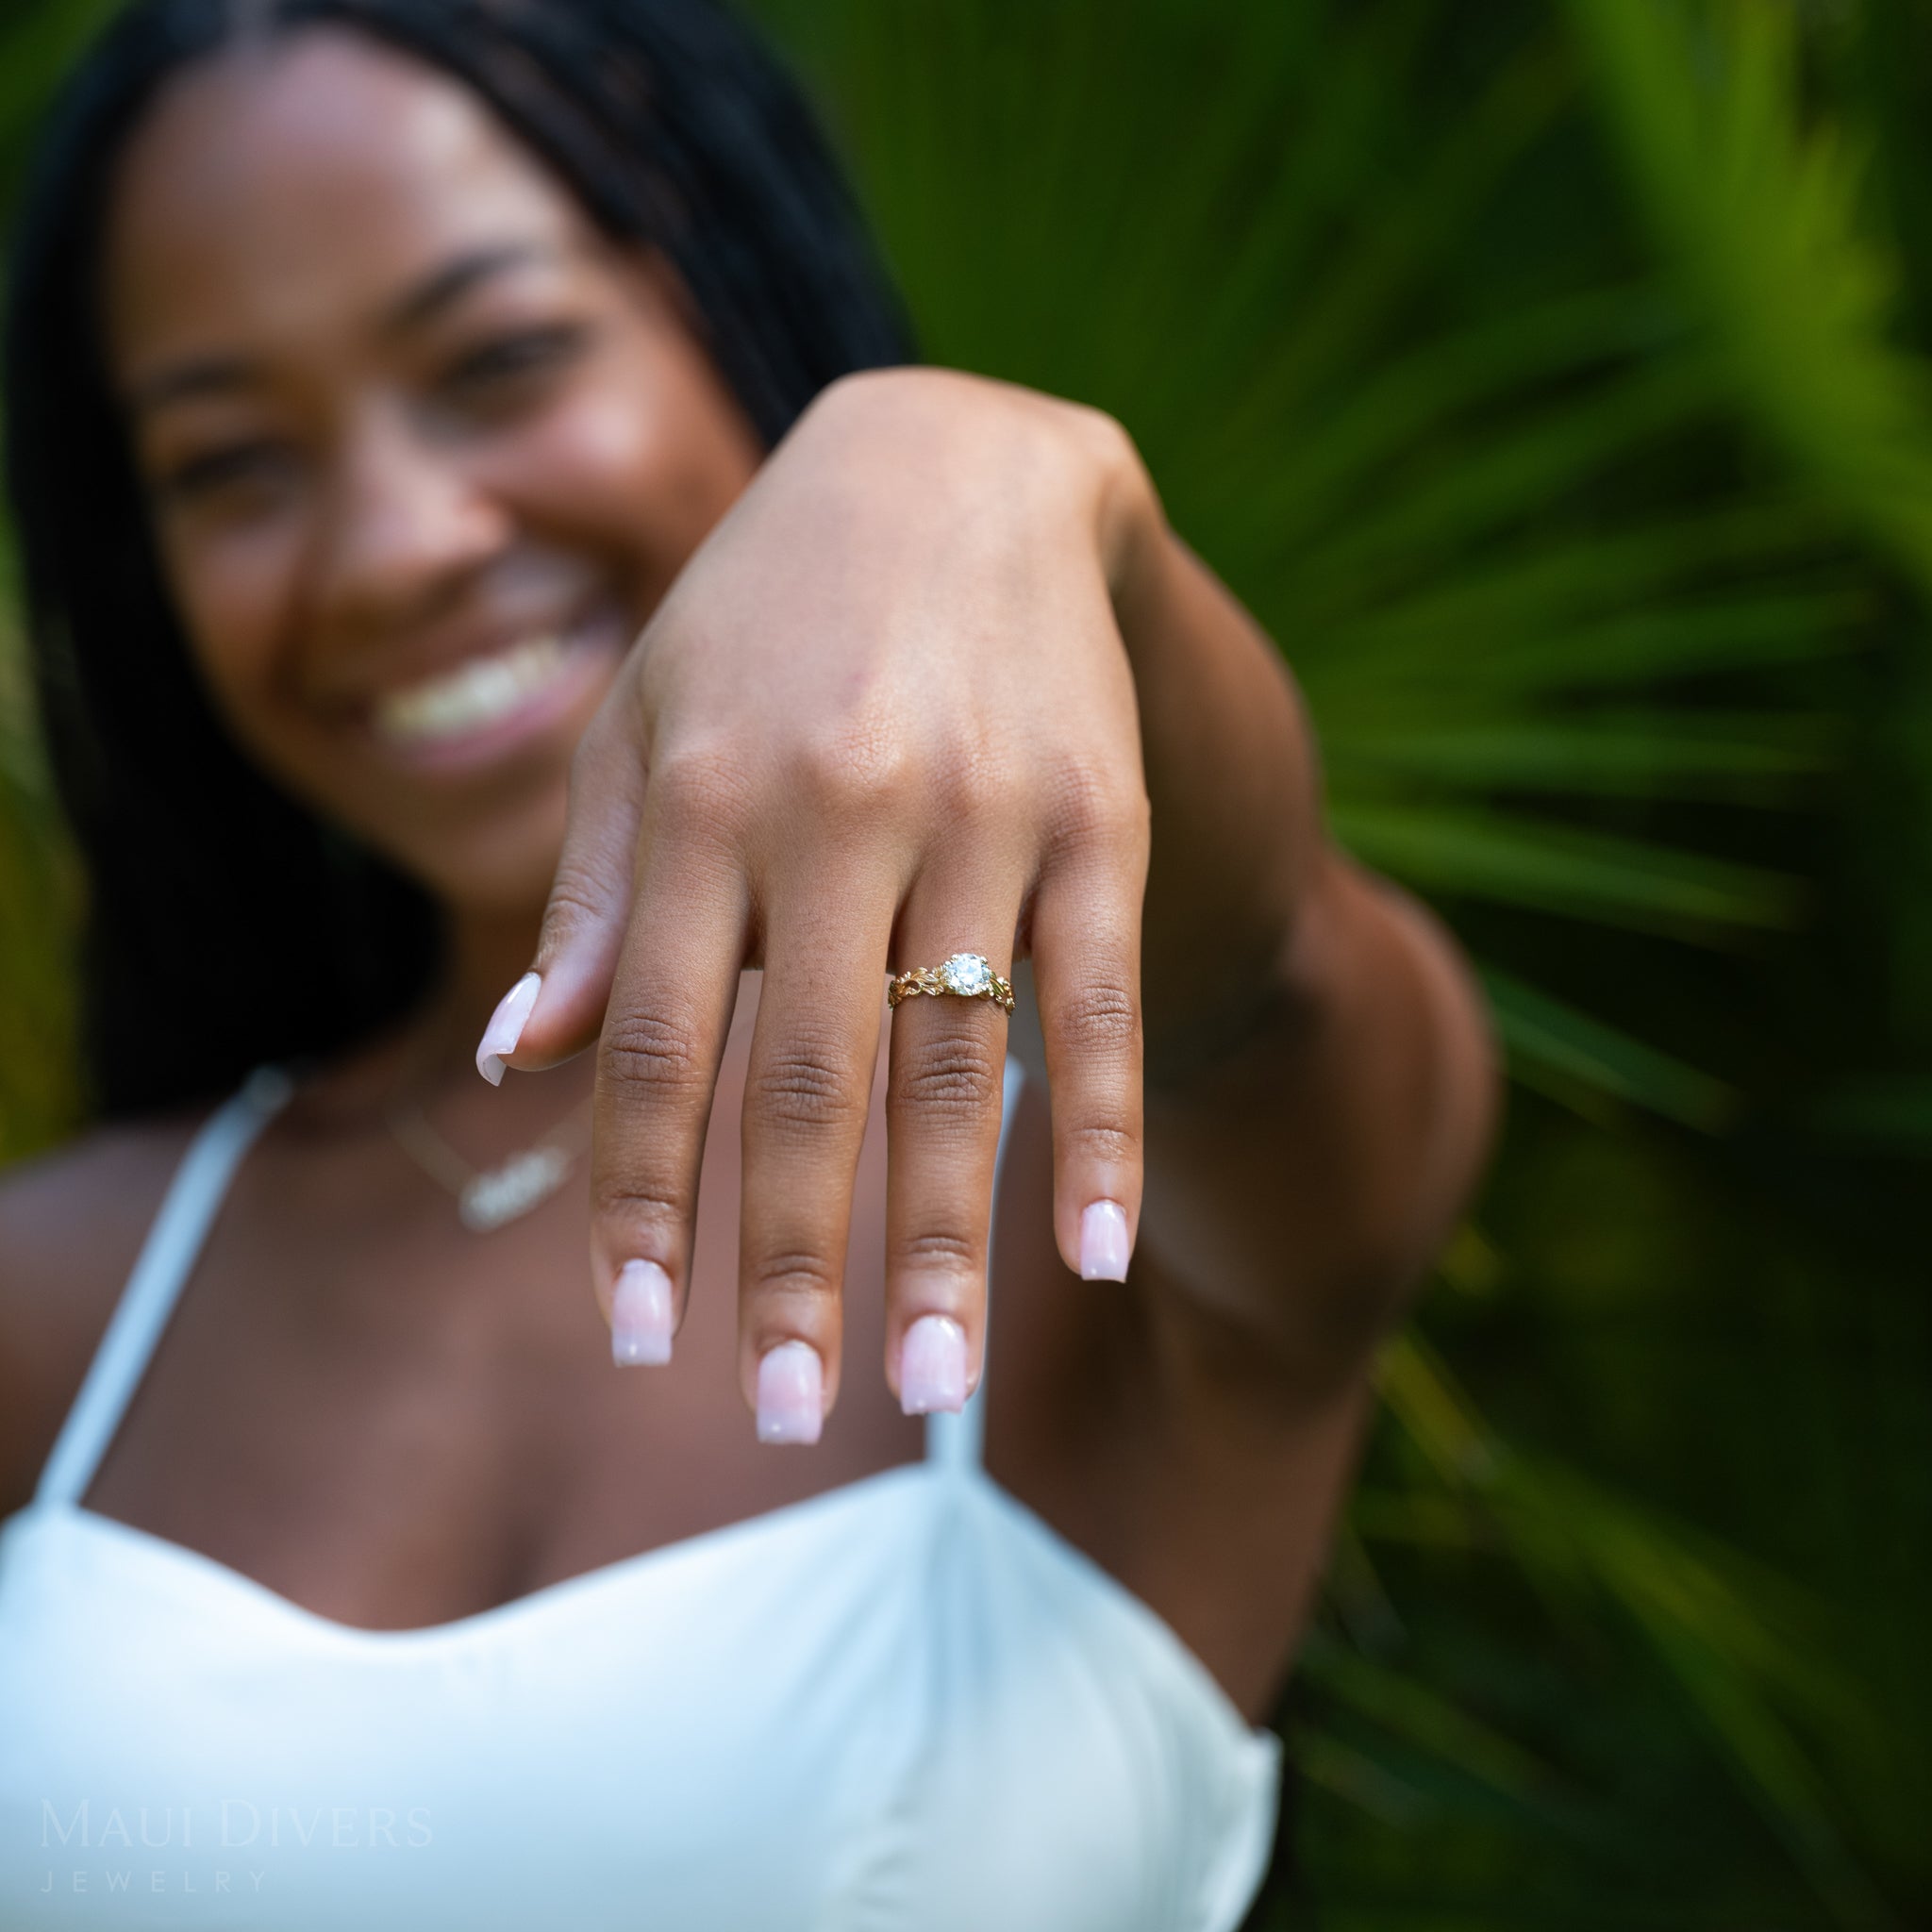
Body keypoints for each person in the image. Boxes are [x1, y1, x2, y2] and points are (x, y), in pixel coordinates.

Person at [0, 0, 1496, 1924]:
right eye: (229, 466)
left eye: (500, 358)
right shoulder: (65, 1299)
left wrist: (1006, 475)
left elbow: (1268, 963)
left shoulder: (1127, 1190)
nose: (386, 549)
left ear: (737, 296)